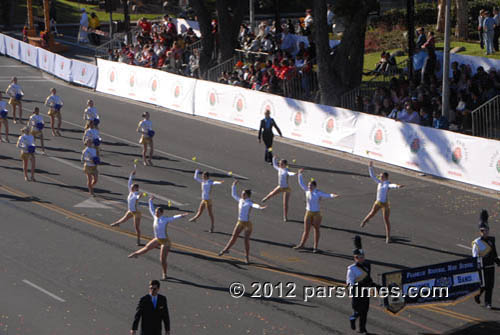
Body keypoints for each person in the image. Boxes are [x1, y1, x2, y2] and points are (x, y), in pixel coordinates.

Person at [129, 196, 188, 280]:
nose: (156, 213)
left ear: (161, 213)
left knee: (162, 259)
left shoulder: (165, 219)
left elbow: (173, 217)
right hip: (157, 239)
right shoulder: (155, 217)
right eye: (156, 212)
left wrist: (181, 215)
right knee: (146, 248)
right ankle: (136, 254)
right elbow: (151, 209)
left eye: (157, 212)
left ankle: (165, 274)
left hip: (165, 242)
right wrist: (150, 201)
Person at [218, 180, 266, 264]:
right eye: (242, 194)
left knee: (246, 241)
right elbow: (233, 195)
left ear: (247, 195)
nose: (242, 195)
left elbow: (254, 205)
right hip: (240, 222)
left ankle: (247, 257)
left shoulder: (249, 202)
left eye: (244, 194)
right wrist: (233, 185)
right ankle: (226, 249)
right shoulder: (240, 200)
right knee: (234, 237)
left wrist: (260, 207)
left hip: (247, 224)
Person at [294, 169, 338, 253]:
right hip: (308, 212)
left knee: (316, 229)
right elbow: (301, 183)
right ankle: (302, 244)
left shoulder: (318, 193)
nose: (309, 187)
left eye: (311, 186)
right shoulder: (306, 190)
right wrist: (300, 174)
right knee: (306, 230)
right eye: (309, 185)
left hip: (317, 214)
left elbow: (327, 195)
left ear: (315, 186)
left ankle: (315, 247)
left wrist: (333, 195)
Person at [360, 161, 404, 244]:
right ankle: (365, 221)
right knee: (371, 214)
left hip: (385, 204)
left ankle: (388, 237)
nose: (380, 177)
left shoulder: (387, 184)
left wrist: (397, 186)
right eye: (380, 176)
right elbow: (372, 176)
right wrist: (370, 167)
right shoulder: (379, 182)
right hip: (378, 202)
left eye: (382, 176)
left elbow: (392, 185)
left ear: (386, 178)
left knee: (386, 220)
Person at [347, 236, 377, 335]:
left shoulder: (367, 265)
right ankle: (353, 318)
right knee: (358, 310)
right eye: (359, 257)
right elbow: (350, 282)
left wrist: (376, 286)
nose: (362, 259)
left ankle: (362, 329)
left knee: (365, 310)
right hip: (357, 291)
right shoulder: (352, 269)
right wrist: (351, 292)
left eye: (363, 257)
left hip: (365, 290)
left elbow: (368, 278)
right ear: (355, 258)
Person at [472, 210, 500, 309]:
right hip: (482, 266)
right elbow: (474, 256)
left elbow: (494, 253)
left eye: (487, 230)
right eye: (483, 231)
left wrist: (498, 262)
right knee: (483, 285)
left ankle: (488, 303)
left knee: (490, 285)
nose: (486, 232)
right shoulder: (477, 242)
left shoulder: (491, 240)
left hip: (490, 265)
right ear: (480, 231)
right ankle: (477, 294)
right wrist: (476, 266)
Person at [111, 170, 145, 246]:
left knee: (136, 227)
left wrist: (140, 196)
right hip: (131, 211)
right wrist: (131, 175)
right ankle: (117, 223)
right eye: (132, 187)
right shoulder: (131, 191)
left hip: (136, 213)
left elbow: (137, 197)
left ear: (136, 189)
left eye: (133, 187)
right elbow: (129, 182)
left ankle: (138, 240)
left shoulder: (135, 194)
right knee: (124, 218)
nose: (131, 188)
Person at [262, 155, 296, 222]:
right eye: (280, 163)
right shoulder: (279, 169)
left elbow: (290, 173)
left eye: (281, 164)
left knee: (285, 204)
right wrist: (274, 158)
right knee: (272, 193)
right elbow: (274, 165)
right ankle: (266, 198)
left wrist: (295, 174)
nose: (280, 164)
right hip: (280, 187)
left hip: (286, 188)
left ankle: (285, 217)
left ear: (285, 165)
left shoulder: (286, 170)